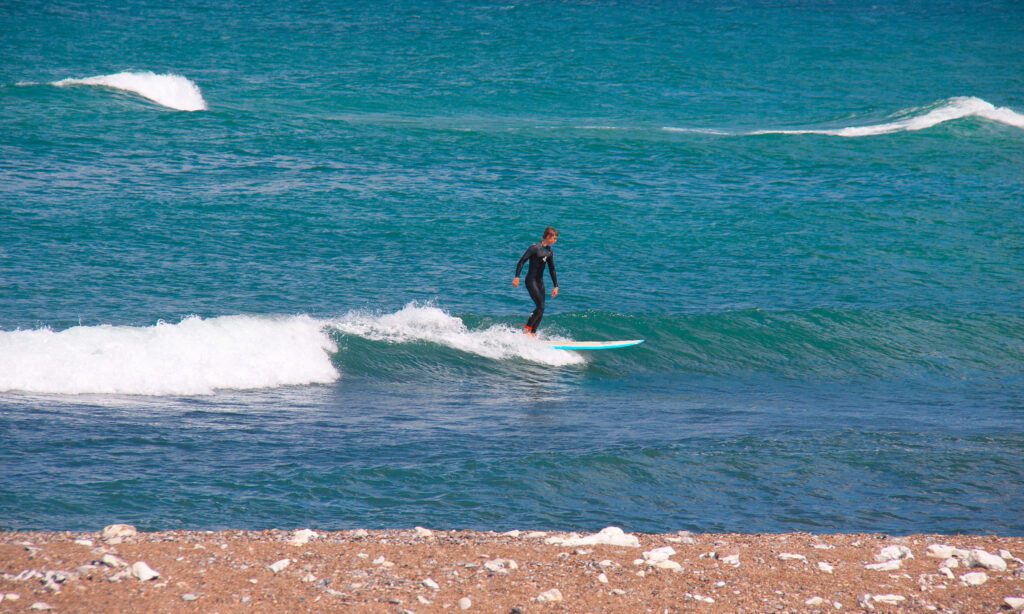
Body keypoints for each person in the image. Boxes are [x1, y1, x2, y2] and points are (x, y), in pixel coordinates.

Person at [513, 227, 559, 336]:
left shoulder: (550, 251)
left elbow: (552, 269)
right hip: (531, 281)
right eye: (554, 238)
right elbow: (522, 261)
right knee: (540, 306)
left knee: (541, 308)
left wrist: (556, 286)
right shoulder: (534, 248)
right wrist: (517, 277)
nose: (555, 240)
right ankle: (527, 329)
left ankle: (532, 333)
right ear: (548, 236)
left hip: (540, 282)